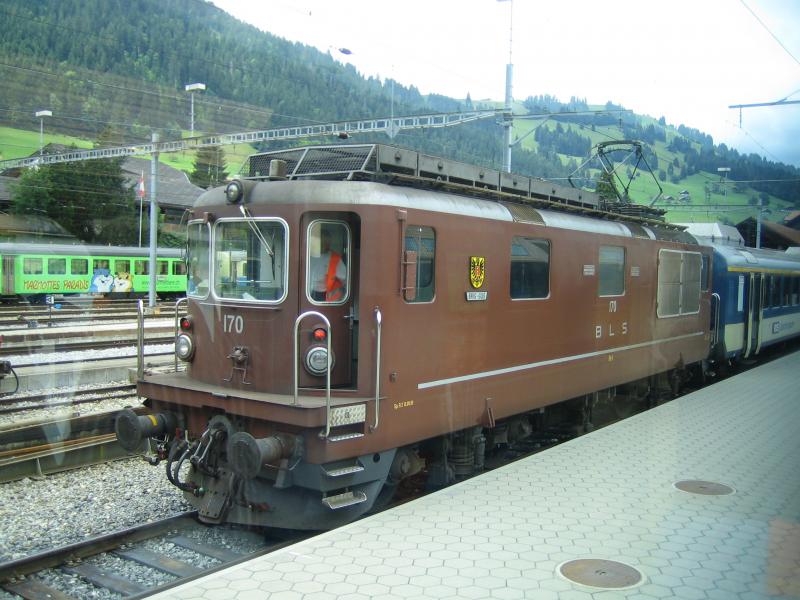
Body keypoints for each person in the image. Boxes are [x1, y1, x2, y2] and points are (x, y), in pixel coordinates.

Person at [310, 229, 347, 302]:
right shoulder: (308, 255)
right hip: (307, 292)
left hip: (326, 295)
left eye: (327, 241)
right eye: (323, 241)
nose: (325, 244)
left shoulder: (335, 258)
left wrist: (338, 290)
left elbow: (345, 279)